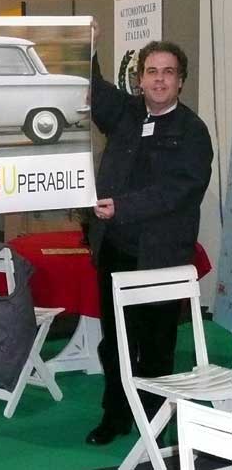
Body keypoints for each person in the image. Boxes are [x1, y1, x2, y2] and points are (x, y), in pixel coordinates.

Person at [86, 24, 213, 445]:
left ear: (181, 81)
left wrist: (123, 207)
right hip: (115, 251)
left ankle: (156, 427)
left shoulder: (193, 132)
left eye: (168, 72)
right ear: (139, 78)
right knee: (115, 342)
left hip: (161, 257)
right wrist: (88, 47)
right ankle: (116, 415)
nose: (159, 79)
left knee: (157, 346)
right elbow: (93, 91)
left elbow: (179, 191)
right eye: (152, 71)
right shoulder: (125, 113)